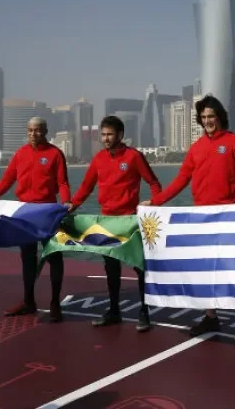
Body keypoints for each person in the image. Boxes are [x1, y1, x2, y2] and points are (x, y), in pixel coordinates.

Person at [140, 95, 235, 347]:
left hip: (230, 218)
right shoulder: (196, 148)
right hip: (202, 218)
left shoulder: (233, 142)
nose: (207, 121)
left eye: (211, 116)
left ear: (219, 116)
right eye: (204, 117)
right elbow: (180, 180)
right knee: (206, 270)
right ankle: (211, 316)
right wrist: (156, 203)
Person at [0, 116, 71, 323]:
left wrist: (66, 202)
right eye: (30, 130)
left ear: (46, 131)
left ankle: (55, 304)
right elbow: (4, 183)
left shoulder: (55, 154)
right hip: (24, 213)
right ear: (27, 132)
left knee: (54, 257)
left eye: (38, 130)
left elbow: (63, 183)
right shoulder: (20, 155)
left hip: (47, 213)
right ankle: (29, 302)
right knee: (27, 259)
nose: (34, 134)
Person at [65, 115, 162, 332]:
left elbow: (154, 183)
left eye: (109, 134)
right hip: (106, 221)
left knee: (139, 267)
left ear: (120, 134)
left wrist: (154, 204)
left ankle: (144, 312)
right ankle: (114, 310)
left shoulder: (134, 156)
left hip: (130, 222)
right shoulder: (99, 159)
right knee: (111, 269)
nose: (106, 138)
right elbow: (86, 187)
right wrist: (71, 206)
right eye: (103, 135)